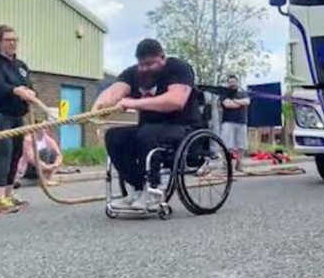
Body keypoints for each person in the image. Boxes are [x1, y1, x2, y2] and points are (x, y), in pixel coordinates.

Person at [92, 38, 200, 210]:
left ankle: (154, 189)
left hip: (182, 127)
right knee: (114, 136)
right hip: (148, 128)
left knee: (147, 134)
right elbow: (116, 90)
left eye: (150, 64)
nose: (144, 68)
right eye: (141, 64)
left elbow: (176, 101)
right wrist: (99, 106)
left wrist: (132, 103)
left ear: (162, 58)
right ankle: (138, 187)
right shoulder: (134, 74)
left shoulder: (178, 68)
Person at [0, 24, 39, 214]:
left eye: (15, 40)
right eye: (8, 40)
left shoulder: (20, 66)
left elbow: (28, 83)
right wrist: (15, 90)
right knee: (3, 151)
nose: (12, 43)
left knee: (16, 152)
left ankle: (8, 194)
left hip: (16, 115)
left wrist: (30, 91)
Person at [220, 75, 250, 171]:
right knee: (226, 144)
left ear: (237, 82)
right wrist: (240, 103)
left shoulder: (243, 92)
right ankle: (227, 164)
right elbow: (227, 104)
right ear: (228, 83)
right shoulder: (224, 93)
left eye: (234, 81)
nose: (232, 83)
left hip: (241, 122)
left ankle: (239, 164)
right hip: (228, 122)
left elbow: (247, 102)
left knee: (242, 145)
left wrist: (235, 101)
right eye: (230, 82)